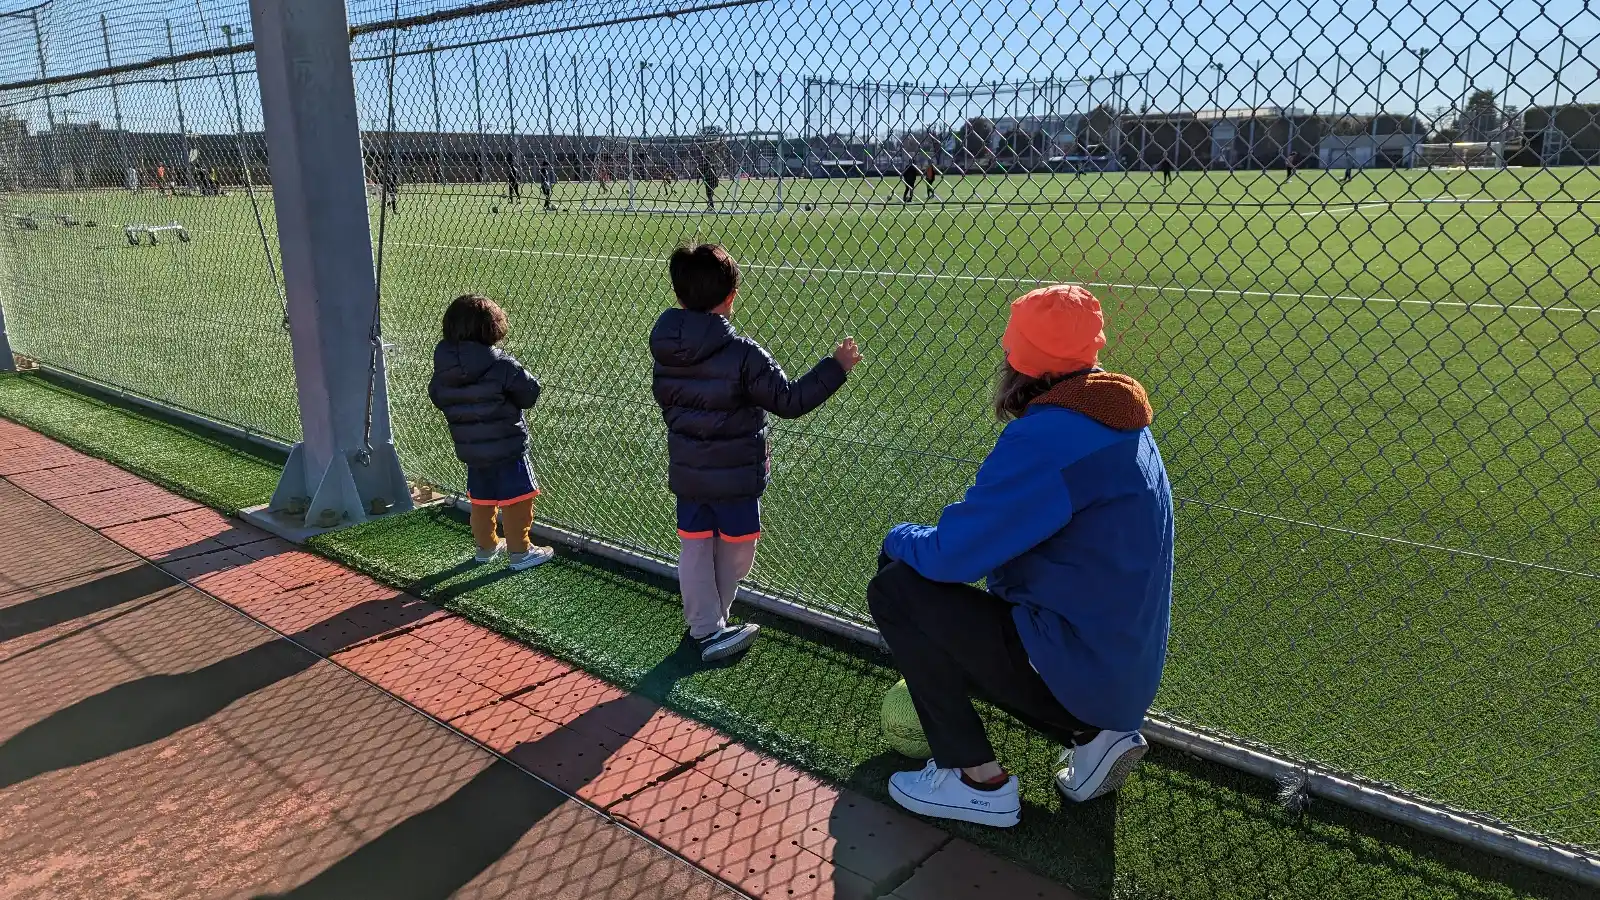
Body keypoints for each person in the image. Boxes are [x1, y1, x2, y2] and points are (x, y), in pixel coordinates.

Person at [869, 284, 1174, 828]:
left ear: (1018, 362)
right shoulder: (1122, 420)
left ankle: (974, 780)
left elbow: (952, 557)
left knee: (896, 585)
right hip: (1120, 674)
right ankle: (1094, 737)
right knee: (926, 586)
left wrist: (896, 536)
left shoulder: (1049, 437)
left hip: (1079, 670)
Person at [650, 244, 861, 661]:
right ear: (732, 297)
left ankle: (706, 624)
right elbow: (788, 401)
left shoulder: (665, 347)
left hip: (690, 471)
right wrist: (835, 367)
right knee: (735, 546)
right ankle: (710, 628)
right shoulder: (744, 353)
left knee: (694, 546)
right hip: (734, 476)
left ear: (678, 296)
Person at [429, 294, 554, 572]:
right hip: (507, 445)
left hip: (471, 448)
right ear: (492, 328)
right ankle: (520, 551)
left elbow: (437, 396)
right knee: (517, 497)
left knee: (481, 498)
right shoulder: (502, 365)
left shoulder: (444, 367)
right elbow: (529, 392)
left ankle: (485, 547)